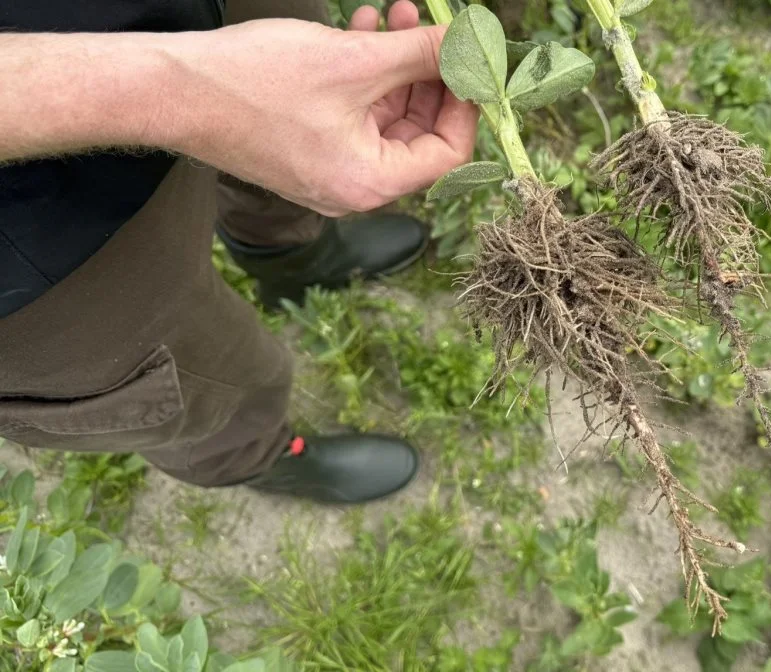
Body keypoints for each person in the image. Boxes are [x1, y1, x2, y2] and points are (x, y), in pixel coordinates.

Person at [0, 0, 479, 504]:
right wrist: (177, 90)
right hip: (33, 229)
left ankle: (294, 260)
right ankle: (263, 453)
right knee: (189, 376)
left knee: (301, 124)